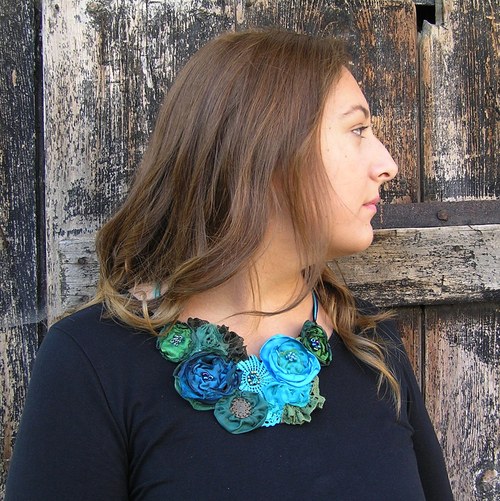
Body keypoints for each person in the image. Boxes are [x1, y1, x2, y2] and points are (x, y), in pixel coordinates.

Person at [5, 29, 453, 500]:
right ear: (265, 149)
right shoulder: (93, 363)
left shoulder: (371, 347)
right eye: (358, 129)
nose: (388, 164)